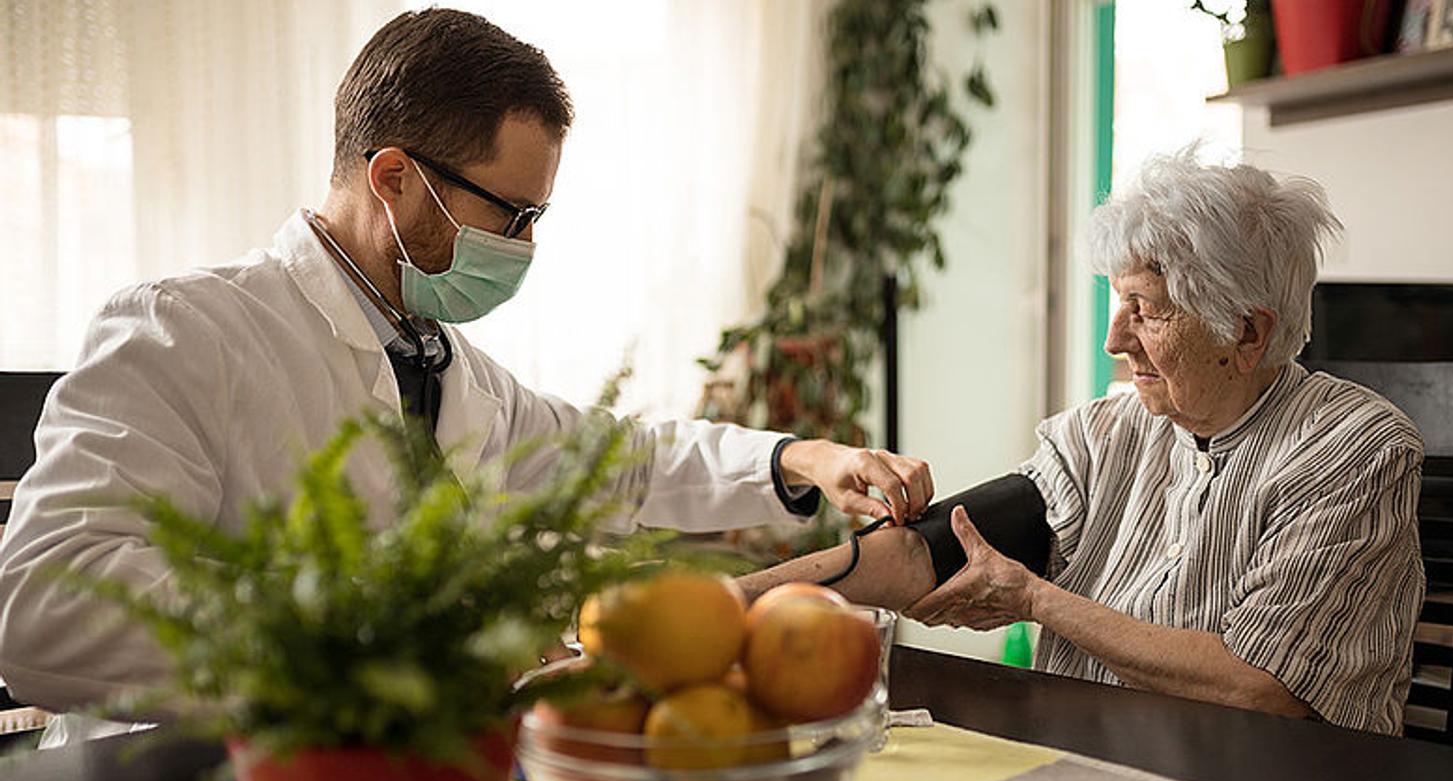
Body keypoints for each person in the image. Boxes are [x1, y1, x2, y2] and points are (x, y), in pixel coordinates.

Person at [0, 9, 933, 743]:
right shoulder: (182, 331)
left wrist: (800, 457)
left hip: (395, 766)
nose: (524, 247)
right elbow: (43, 604)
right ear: (396, 178)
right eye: (513, 215)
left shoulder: (444, 366)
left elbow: (621, 460)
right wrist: (377, 638)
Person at [741, 149, 1425, 736]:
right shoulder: (1102, 433)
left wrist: (1038, 601)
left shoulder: (1354, 451)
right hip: (1093, 767)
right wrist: (733, 601)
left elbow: (1262, 686)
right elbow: (927, 552)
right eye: (1116, 303)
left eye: (1147, 311)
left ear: (1247, 333)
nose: (1115, 341)